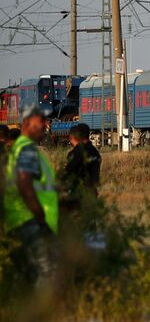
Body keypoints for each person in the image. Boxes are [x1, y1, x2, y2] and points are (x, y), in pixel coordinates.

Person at [4, 108, 59, 279]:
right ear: (26, 124)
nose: (45, 125)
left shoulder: (22, 148)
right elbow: (24, 183)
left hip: (21, 219)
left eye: (46, 121)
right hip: (29, 220)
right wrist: (40, 217)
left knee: (31, 274)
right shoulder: (27, 149)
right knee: (47, 274)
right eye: (40, 121)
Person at [59, 122, 102, 214]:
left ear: (73, 137)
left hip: (78, 195)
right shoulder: (95, 152)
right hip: (92, 193)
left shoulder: (76, 153)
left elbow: (68, 174)